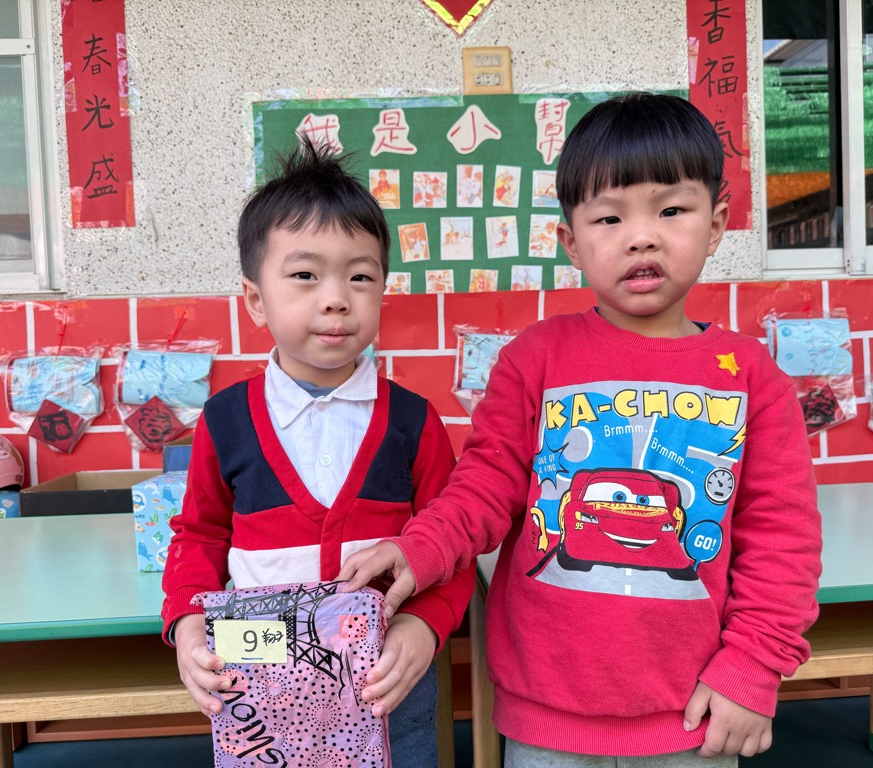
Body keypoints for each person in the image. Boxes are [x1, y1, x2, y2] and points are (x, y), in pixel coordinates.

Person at [338, 93, 822, 767]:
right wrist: (420, 549)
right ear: (571, 241)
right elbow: (484, 487)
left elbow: (782, 542)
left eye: (671, 210)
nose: (641, 236)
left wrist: (754, 667)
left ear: (716, 224)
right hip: (545, 716)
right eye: (609, 217)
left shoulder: (752, 377)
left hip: (693, 716)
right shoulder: (534, 359)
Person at [161, 138, 474, 768]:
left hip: (385, 685)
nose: (336, 298)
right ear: (256, 300)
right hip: (260, 689)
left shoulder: (415, 422)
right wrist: (188, 624)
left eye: (360, 277)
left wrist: (425, 625)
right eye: (305, 275)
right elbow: (199, 535)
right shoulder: (225, 420)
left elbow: (451, 547)